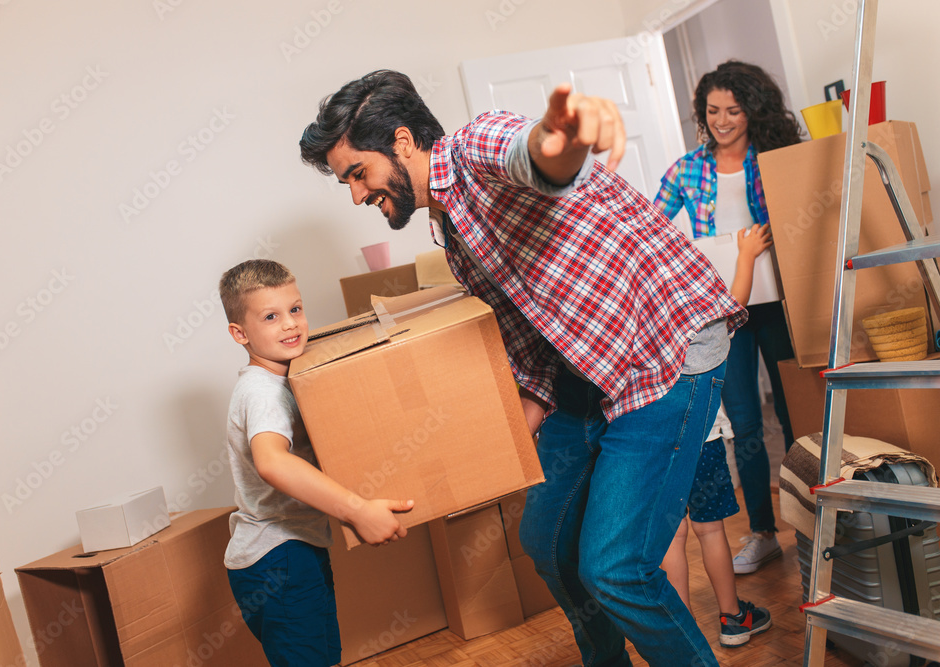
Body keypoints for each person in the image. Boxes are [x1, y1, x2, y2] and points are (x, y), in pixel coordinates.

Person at [300, 70, 746, 667]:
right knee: (547, 542)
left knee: (616, 568)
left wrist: (567, 133)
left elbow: (540, 157)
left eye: (358, 173)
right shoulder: (449, 228)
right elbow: (528, 330)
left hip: (666, 347)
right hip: (590, 372)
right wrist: (520, 414)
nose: (357, 195)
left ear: (403, 142)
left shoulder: (478, 147)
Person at [219, 258, 414, 667]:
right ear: (240, 333)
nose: (290, 324)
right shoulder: (262, 392)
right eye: (270, 317)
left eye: (295, 309)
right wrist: (357, 510)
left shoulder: (286, 378)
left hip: (295, 549)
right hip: (278, 557)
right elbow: (272, 463)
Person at [653, 60, 802, 575]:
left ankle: (811, 524)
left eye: (733, 110)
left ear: (751, 110)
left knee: (794, 415)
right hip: (726, 311)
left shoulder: (775, 160)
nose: (722, 120)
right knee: (745, 421)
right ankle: (763, 533)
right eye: (712, 111)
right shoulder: (687, 170)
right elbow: (653, 229)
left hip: (781, 302)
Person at [660, 222, 775, 647]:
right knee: (711, 531)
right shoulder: (697, 314)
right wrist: (745, 255)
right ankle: (733, 619)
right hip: (702, 439)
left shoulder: (638, 322)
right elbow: (736, 302)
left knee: (672, 534)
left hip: (655, 441)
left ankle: (684, 631)